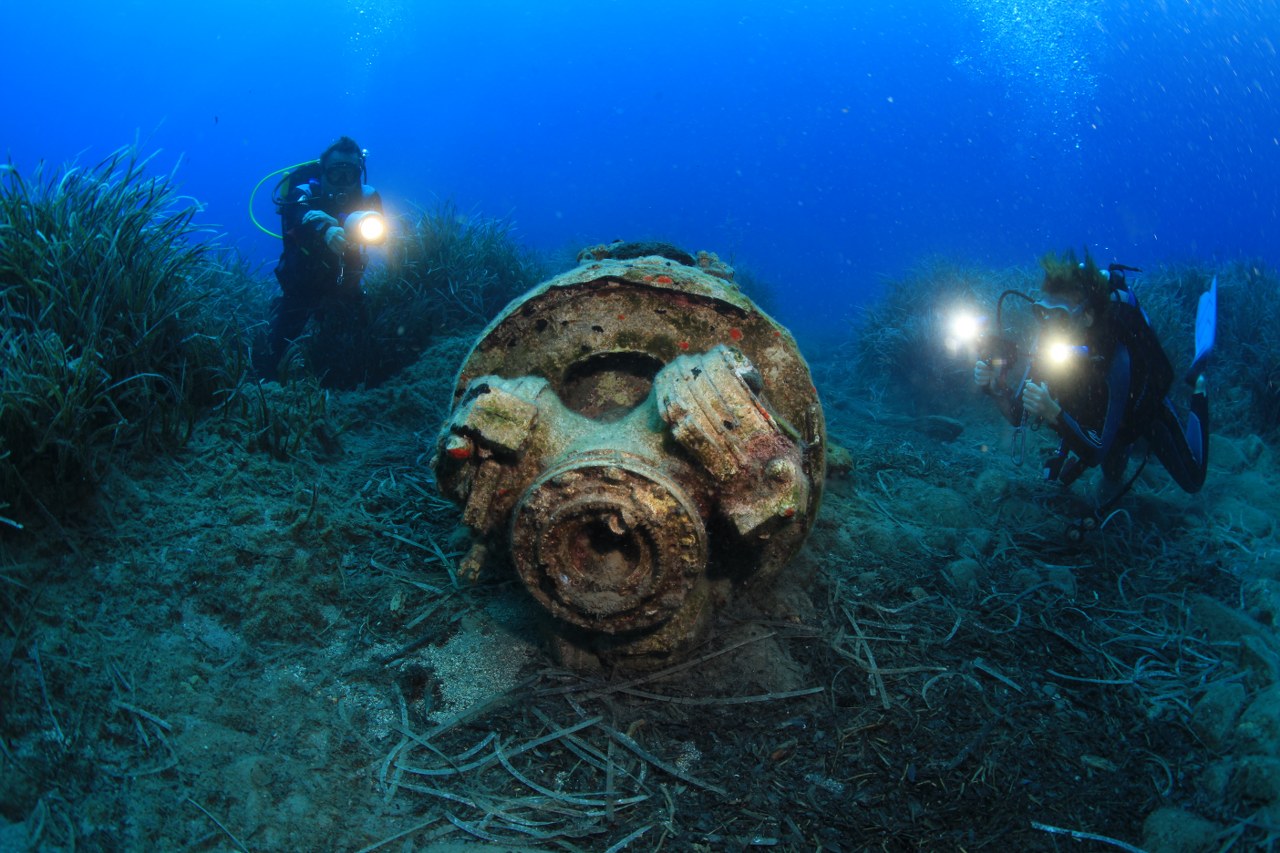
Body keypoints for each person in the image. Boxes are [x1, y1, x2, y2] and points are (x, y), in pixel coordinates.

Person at [974, 248, 1209, 506]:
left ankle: (1199, 385)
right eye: (1042, 312)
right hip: (1099, 422)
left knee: (1193, 481)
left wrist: (1053, 413)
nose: (1048, 325)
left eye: (1059, 315)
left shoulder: (1116, 357)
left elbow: (1096, 453)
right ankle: (1127, 449)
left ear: (1086, 316)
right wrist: (997, 388)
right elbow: (1019, 414)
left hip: (1138, 413)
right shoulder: (1046, 341)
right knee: (1112, 479)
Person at [263, 135, 384, 378]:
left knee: (367, 340)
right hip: (301, 285)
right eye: (335, 173)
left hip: (345, 284)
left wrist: (345, 225)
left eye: (349, 173)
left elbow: (379, 232)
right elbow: (297, 215)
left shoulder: (368, 197)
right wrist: (324, 230)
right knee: (277, 350)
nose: (343, 182)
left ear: (359, 173)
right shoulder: (304, 193)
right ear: (322, 171)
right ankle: (267, 383)